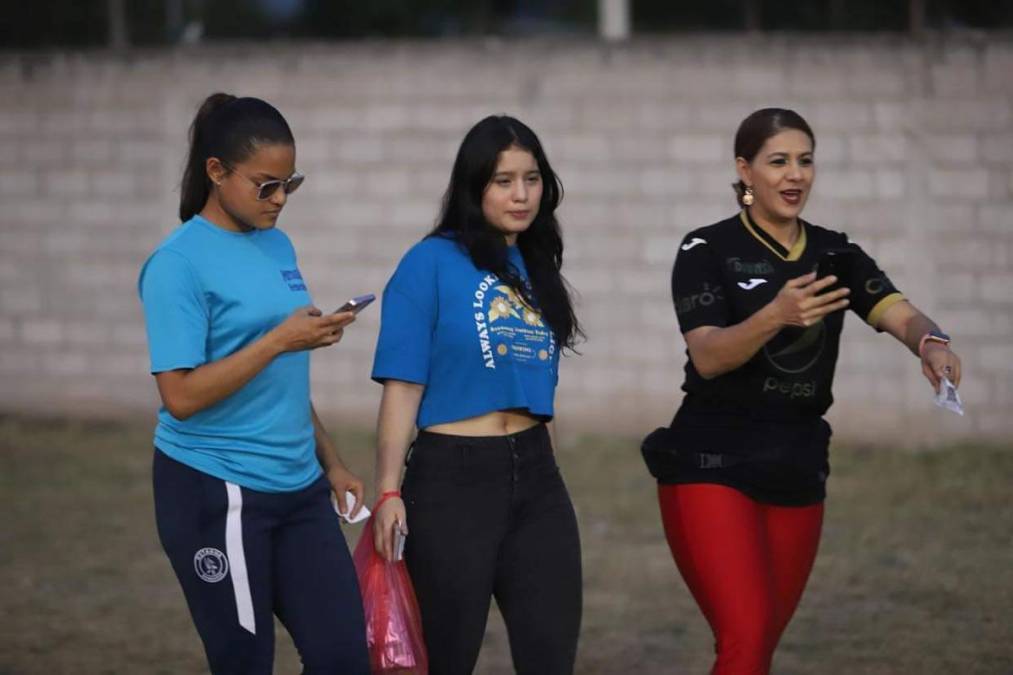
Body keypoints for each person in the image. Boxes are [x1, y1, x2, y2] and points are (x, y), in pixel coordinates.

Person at [654, 107, 963, 675]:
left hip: (797, 465)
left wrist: (931, 344)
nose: (795, 174)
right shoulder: (705, 250)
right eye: (778, 162)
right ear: (745, 171)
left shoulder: (834, 253)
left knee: (761, 643)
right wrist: (775, 315)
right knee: (744, 639)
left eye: (805, 160)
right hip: (710, 461)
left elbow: (898, 312)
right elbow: (708, 354)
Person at [138, 93, 370, 675]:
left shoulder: (276, 243)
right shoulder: (177, 264)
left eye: (289, 183)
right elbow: (181, 397)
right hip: (217, 491)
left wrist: (333, 462)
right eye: (265, 185)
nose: (280, 199)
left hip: (300, 488)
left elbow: (281, 378)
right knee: (244, 664)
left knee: (344, 657)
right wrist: (277, 341)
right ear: (216, 172)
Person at [369, 115, 584, 675]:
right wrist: (389, 492)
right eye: (503, 180)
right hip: (451, 484)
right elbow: (403, 386)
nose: (521, 194)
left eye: (532, 178)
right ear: (474, 186)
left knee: (551, 659)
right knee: (445, 661)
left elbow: (542, 395)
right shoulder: (428, 264)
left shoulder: (537, 267)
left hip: (536, 479)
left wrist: (546, 469)